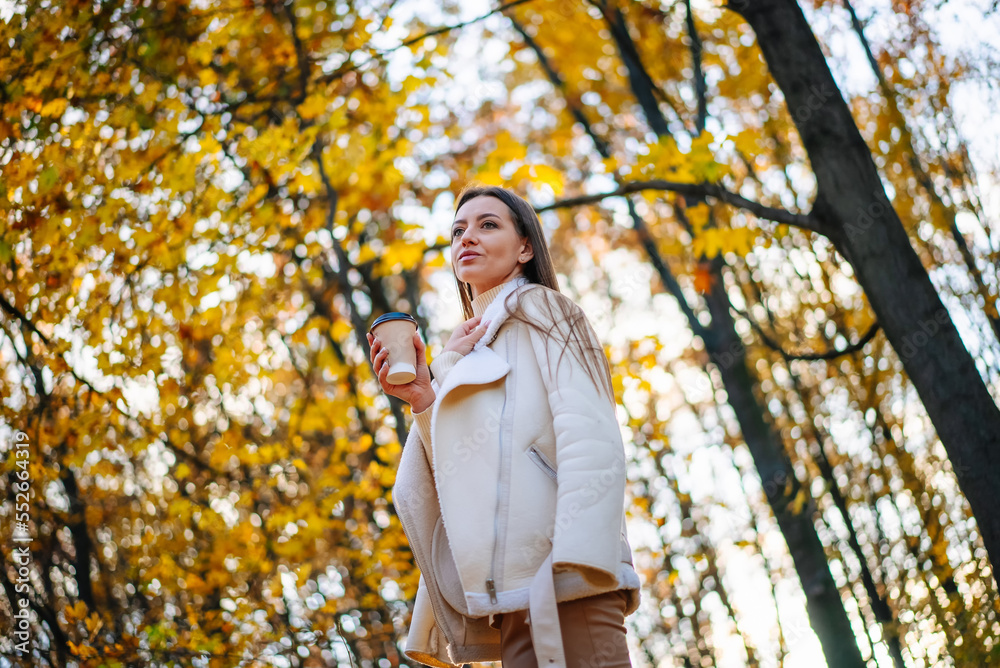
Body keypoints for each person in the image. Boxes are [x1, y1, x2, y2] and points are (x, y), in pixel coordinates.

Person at [367, 184, 640, 667]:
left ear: (525, 248)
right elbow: (458, 476)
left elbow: (591, 433)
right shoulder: (470, 349)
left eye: (487, 224)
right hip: (509, 599)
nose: (467, 237)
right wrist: (426, 394)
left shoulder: (544, 309)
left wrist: (577, 560)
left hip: (569, 578)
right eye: (458, 230)